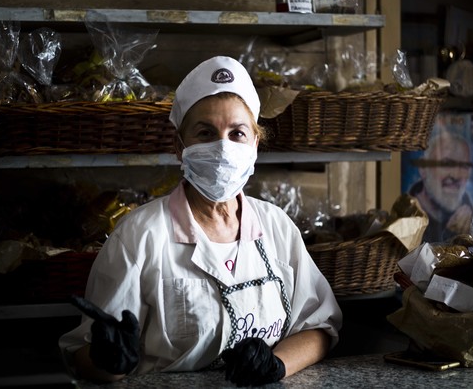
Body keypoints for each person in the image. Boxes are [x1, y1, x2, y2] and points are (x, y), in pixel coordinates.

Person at [59, 56, 342, 385]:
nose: (222, 148)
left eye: (237, 133)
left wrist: (276, 365)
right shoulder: (139, 236)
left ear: (255, 144)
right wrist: (107, 361)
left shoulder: (276, 226)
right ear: (179, 147)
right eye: (205, 133)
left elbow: (319, 327)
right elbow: (84, 356)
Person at [408, 129, 473, 243]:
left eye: (464, 166)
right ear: (423, 168)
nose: (455, 175)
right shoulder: (406, 216)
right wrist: (451, 236)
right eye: (446, 164)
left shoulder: (468, 209)